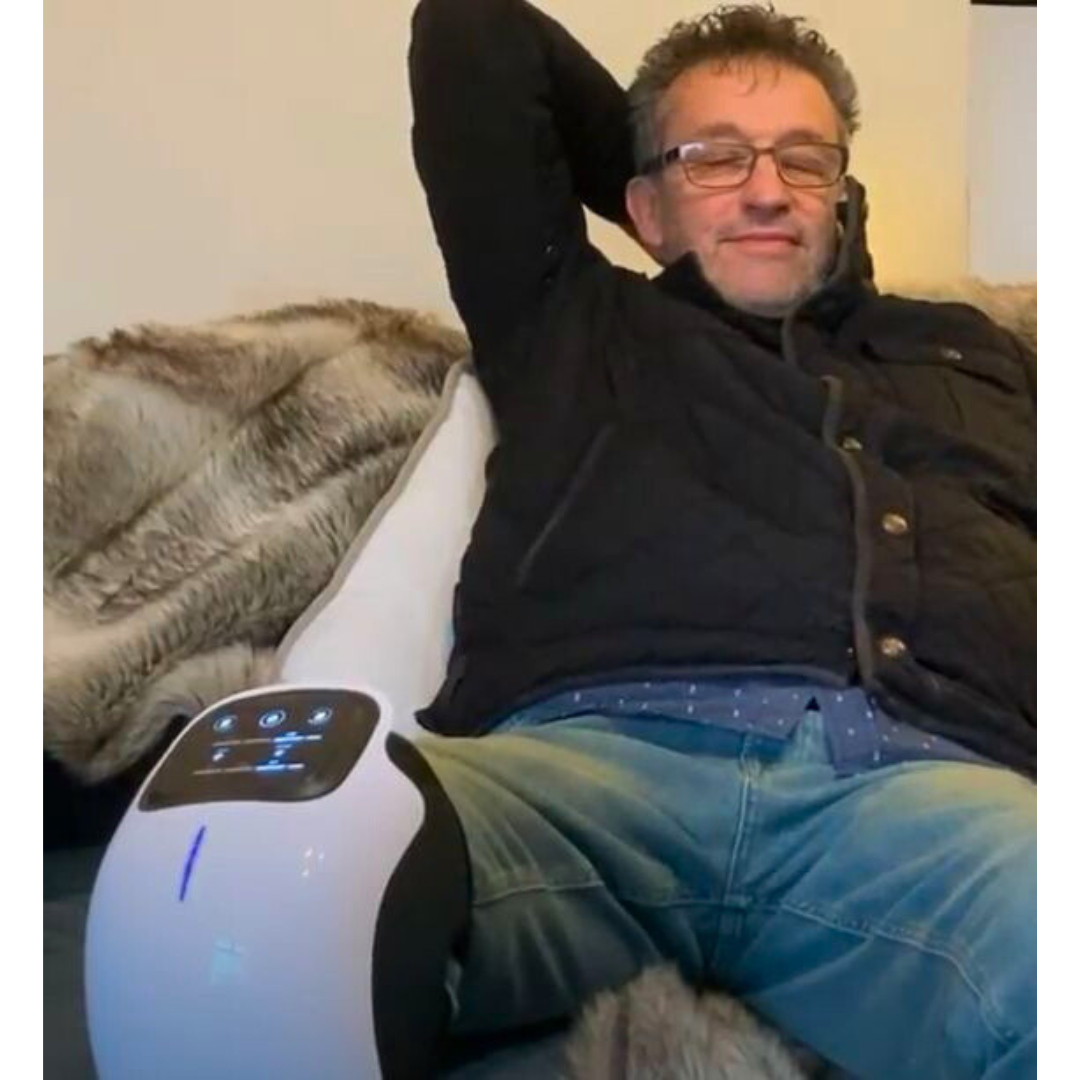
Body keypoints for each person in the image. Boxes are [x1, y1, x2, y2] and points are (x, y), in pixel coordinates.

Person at [405, 2, 1036, 1076]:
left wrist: (710, 179)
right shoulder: (571, 321)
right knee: (281, 863)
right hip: (580, 771)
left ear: (845, 196)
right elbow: (473, 31)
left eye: (804, 161)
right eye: (719, 158)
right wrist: (677, 191)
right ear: (641, 206)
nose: (766, 190)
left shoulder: (972, 355)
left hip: (928, 803)